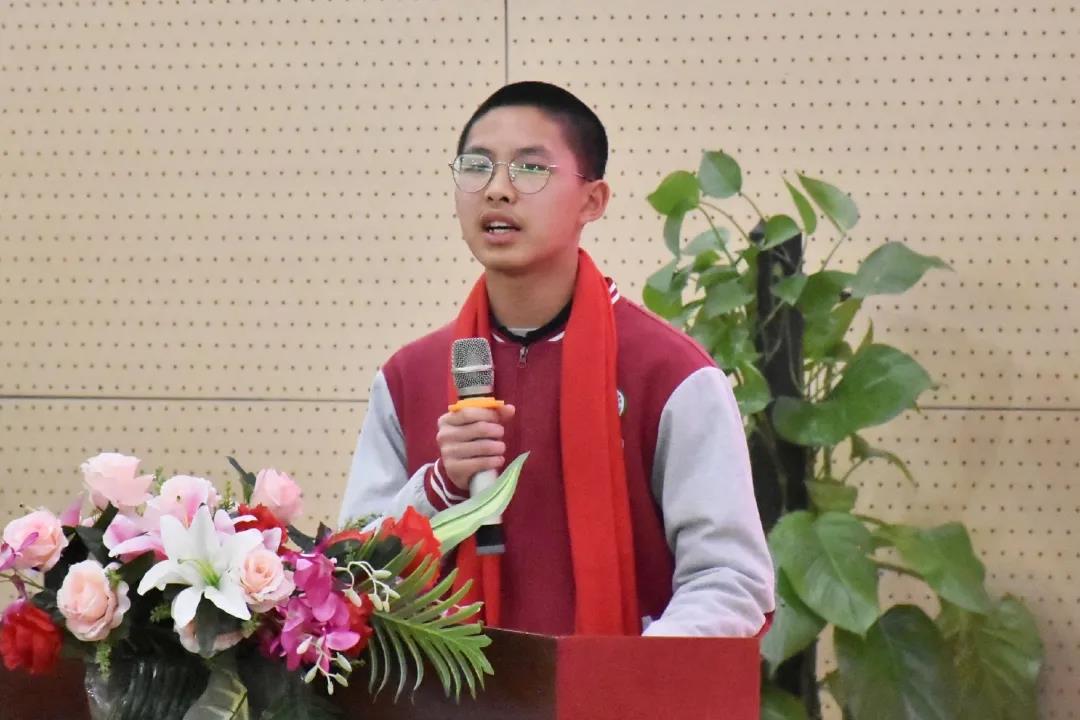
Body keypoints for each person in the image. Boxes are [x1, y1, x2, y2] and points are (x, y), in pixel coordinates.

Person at [339, 81, 774, 637]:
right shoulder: (410, 376)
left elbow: (731, 579)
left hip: (617, 682)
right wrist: (440, 486)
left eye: (530, 169)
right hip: (448, 684)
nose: (498, 190)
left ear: (592, 201)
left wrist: (620, 674)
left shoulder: (670, 374)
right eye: (477, 167)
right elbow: (349, 575)